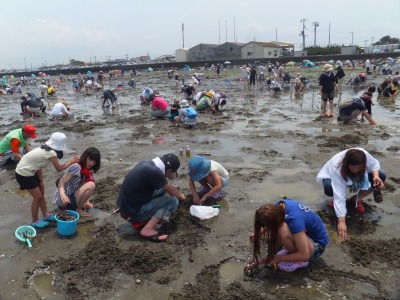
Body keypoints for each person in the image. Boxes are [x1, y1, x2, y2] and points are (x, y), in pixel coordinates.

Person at [316, 148, 386, 239]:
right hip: (331, 177)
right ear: (347, 164)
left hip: (357, 176)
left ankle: (357, 199)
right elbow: (340, 196)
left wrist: (376, 177)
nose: (356, 170)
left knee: (382, 174)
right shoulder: (337, 167)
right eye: (354, 167)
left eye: (359, 167)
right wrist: (341, 222)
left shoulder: (363, 155)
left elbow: (374, 165)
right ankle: (336, 203)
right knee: (330, 188)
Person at [15, 132, 80, 228]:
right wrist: (71, 161)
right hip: (24, 173)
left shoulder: (44, 148)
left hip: (31, 171)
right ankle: (35, 221)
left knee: (41, 193)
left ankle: (46, 214)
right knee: (37, 197)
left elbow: (38, 166)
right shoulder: (51, 153)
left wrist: (41, 181)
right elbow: (59, 169)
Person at [116, 153, 185, 242]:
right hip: (133, 214)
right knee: (173, 201)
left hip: (125, 208)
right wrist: (181, 197)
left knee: (164, 188)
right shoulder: (154, 172)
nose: (170, 175)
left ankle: (150, 215)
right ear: (170, 170)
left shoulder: (147, 164)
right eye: (172, 173)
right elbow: (171, 191)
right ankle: (148, 229)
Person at [249, 199, 329, 273]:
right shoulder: (279, 206)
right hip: (308, 234)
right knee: (282, 229)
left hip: (317, 245)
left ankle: (299, 261)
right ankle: (294, 250)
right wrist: (259, 233)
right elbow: (272, 219)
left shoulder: (295, 220)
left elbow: (305, 255)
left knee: (283, 231)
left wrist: (278, 258)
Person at [53, 147, 101, 217]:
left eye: (94, 162)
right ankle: (78, 210)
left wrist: (87, 202)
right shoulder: (77, 167)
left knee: (90, 184)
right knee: (91, 185)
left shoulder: (87, 170)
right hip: (65, 201)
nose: (91, 163)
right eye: (90, 159)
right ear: (85, 157)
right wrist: (62, 194)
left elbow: (83, 186)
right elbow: (61, 182)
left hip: (71, 198)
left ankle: (76, 208)